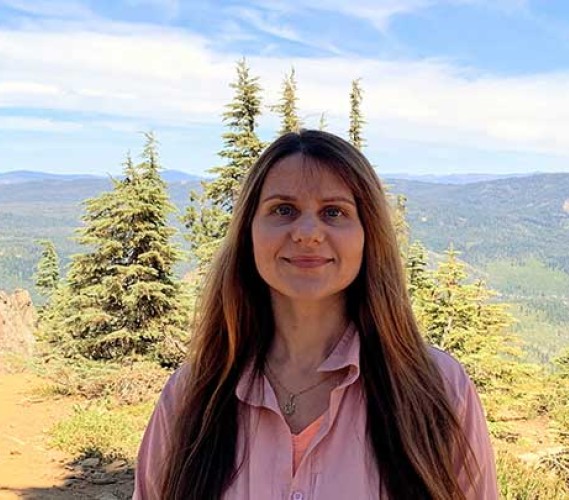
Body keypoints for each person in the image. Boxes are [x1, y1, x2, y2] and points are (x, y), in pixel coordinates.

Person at [133, 130, 498, 500]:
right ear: (249, 232)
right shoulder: (191, 397)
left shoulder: (437, 390)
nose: (307, 233)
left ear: (367, 234)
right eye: (283, 210)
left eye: (334, 212)